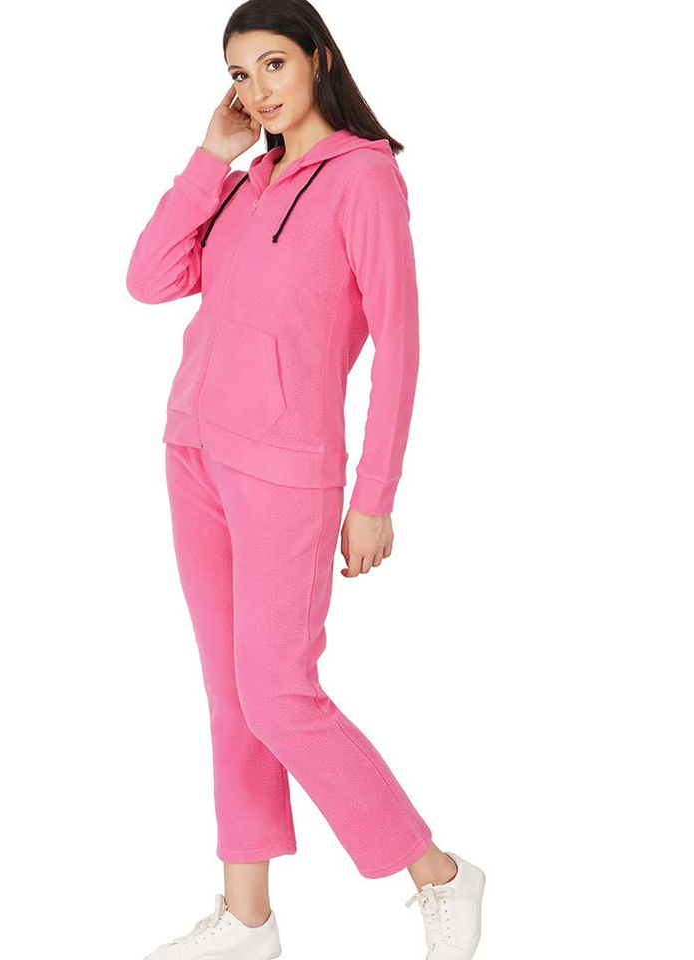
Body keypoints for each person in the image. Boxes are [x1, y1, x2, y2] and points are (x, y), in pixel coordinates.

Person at [125, 3, 485, 957]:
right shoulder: (245, 182)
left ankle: (438, 872)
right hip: (195, 453)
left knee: (279, 693)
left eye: (274, 64)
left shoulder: (364, 178)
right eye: (240, 74)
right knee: (232, 696)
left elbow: (400, 343)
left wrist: (376, 496)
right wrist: (212, 157)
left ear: (320, 59)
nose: (257, 90)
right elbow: (149, 279)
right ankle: (248, 919)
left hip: (288, 472)